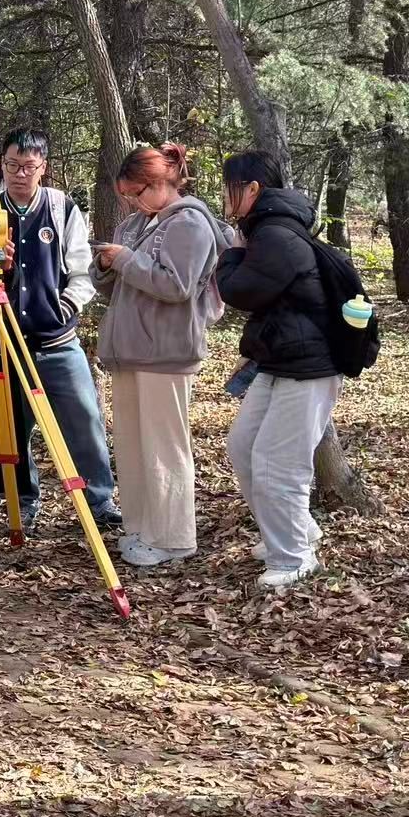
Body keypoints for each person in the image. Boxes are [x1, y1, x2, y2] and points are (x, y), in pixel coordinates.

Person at [92, 145, 232, 566]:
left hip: (167, 350)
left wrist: (127, 260)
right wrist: (105, 266)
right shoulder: (135, 224)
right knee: (133, 447)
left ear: (158, 183)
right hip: (129, 348)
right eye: (127, 197)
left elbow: (176, 286)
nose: (131, 203)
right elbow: (119, 285)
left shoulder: (189, 222)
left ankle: (173, 537)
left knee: (164, 447)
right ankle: (140, 527)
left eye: (136, 193)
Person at [216, 150, 339, 590]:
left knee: (277, 461)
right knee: (244, 445)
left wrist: (230, 255)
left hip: (308, 366)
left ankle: (294, 558)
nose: (225, 194)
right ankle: (292, 532)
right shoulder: (267, 230)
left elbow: (240, 290)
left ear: (252, 189)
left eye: (231, 185)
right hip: (279, 358)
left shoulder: (276, 236)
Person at [0, 128, 120, 532]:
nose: (19, 174)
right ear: (2, 163)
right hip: (6, 342)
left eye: (28, 167)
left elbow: (81, 268)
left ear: (43, 168)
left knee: (84, 419)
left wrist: (65, 305)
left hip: (58, 340)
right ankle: (23, 501)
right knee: (13, 428)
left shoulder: (61, 207)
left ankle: (98, 499)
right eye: (12, 165)